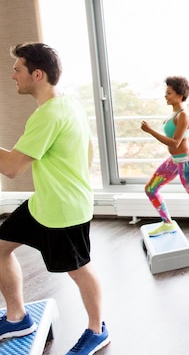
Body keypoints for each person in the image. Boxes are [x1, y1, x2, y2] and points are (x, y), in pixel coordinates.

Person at [0, 43, 110, 354]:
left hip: (63, 210)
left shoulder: (47, 116)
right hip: (43, 204)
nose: (13, 76)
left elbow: (10, 168)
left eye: (17, 69)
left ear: (37, 74)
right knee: (0, 248)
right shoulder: (68, 103)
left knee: (79, 270)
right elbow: (87, 152)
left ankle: (97, 330)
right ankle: (17, 316)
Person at [140, 76, 189, 252]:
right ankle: (167, 223)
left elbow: (175, 143)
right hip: (174, 161)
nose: (165, 96)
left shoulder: (183, 115)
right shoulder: (173, 114)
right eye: (165, 92)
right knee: (150, 189)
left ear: (180, 95)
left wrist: (150, 130)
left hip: (187, 163)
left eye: (169, 93)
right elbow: (185, 139)